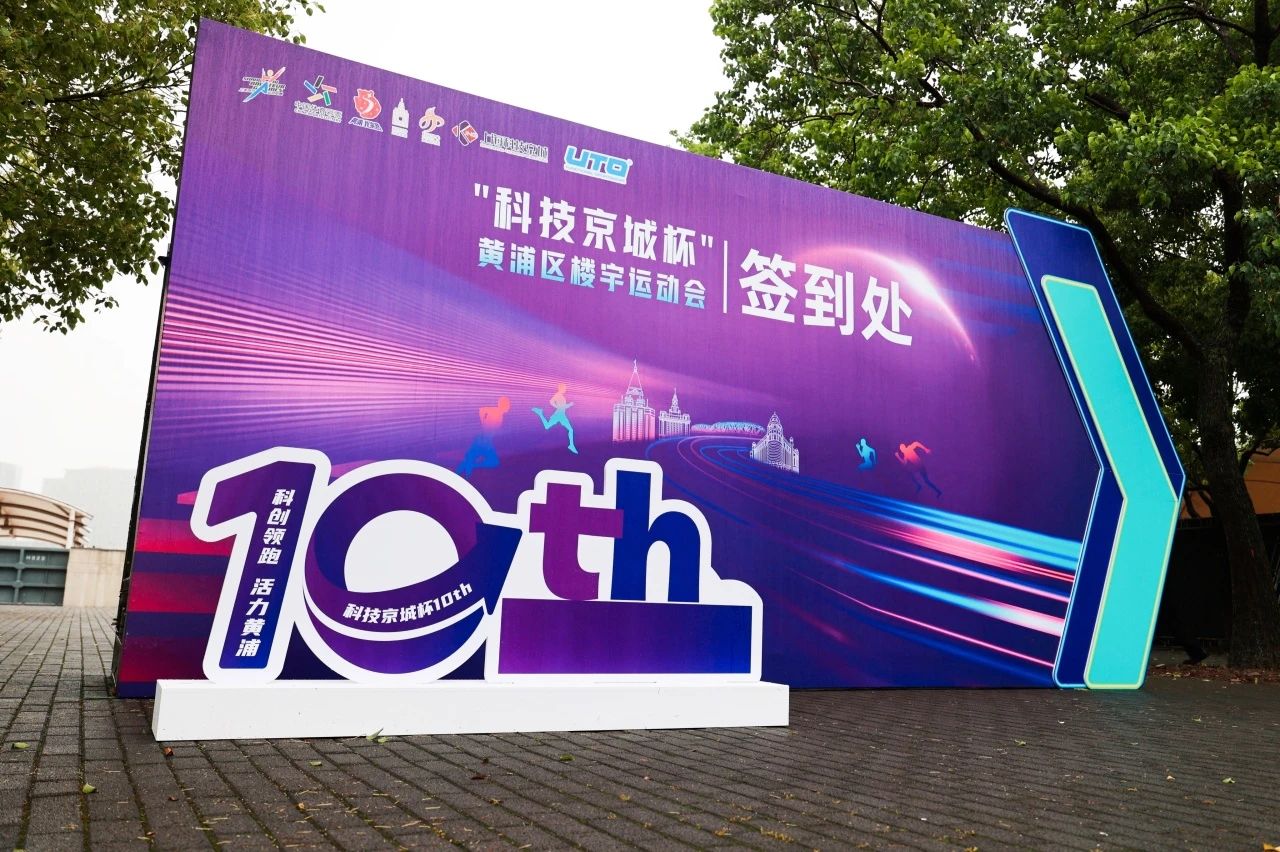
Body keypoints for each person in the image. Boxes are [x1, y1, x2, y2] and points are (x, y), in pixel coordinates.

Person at [456, 396, 510, 477]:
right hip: (484, 439)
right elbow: (482, 410)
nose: (508, 407)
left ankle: (464, 473)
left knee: (471, 457)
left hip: (485, 439)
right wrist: (483, 423)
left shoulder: (500, 414)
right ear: (502, 405)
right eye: (507, 404)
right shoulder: (495, 411)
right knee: (491, 461)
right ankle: (466, 472)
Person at [532, 382, 578, 454]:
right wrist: (558, 406)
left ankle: (571, 445)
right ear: (561, 388)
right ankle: (540, 413)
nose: (565, 390)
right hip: (559, 415)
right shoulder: (558, 395)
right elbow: (551, 401)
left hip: (561, 415)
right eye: (564, 388)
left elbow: (562, 406)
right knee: (547, 426)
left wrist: (568, 405)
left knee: (570, 429)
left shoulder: (561, 396)